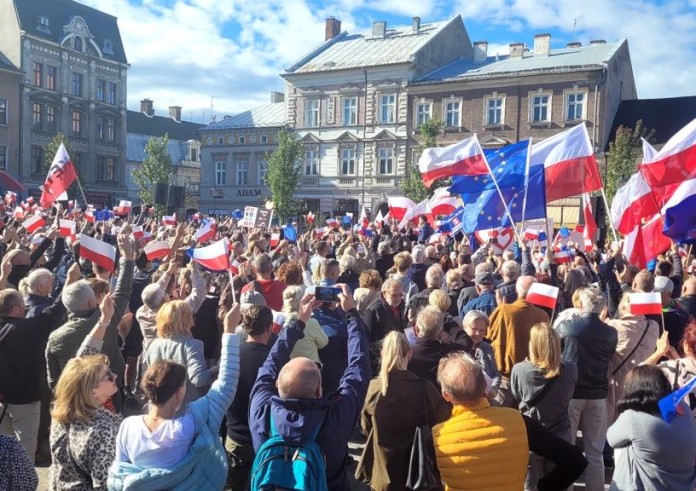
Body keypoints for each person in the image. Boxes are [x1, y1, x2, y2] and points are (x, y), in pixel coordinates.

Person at [249, 286, 371, 490]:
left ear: (277, 384)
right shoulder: (335, 416)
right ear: (319, 391)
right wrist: (351, 313)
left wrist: (298, 322)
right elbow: (358, 367)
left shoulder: (262, 409)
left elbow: (271, 362)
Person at [109, 305, 241, 490]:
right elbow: (207, 380)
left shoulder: (127, 426)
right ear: (180, 391)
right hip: (186, 410)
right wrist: (220, 356)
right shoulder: (189, 427)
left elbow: (119, 469)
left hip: (152, 410)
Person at [46, 233, 134, 412]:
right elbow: (123, 290)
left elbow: (54, 381)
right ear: (90, 303)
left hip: (74, 402)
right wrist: (127, 257)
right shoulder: (105, 318)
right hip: (108, 397)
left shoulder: (55, 337)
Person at [0, 259, 77, 464]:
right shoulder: (25, 330)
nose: (25, 309)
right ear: (16, 310)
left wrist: (3, 278)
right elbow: (54, 313)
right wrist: (70, 280)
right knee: (25, 449)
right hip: (24, 399)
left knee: (3, 446)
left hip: (2, 399)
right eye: (21, 306)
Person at [356, 331, 451, 490]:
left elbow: (366, 428)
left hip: (383, 472)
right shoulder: (425, 389)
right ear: (410, 353)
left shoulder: (375, 388)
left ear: (382, 353)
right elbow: (444, 421)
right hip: (417, 471)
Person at [48, 295, 119, 490]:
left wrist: (104, 321)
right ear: (92, 392)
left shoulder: (63, 412)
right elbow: (105, 484)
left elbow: (81, 365)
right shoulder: (101, 430)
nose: (115, 376)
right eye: (108, 376)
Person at [432, 352, 529, 490]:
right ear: (484, 386)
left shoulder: (438, 436)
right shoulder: (518, 420)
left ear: (446, 396)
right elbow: (568, 456)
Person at [556, 287, 618, 491]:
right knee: (594, 452)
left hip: (571, 394)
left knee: (568, 449)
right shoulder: (610, 333)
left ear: (581, 304)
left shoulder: (567, 327)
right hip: (597, 395)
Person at [511, 322, 578, 491]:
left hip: (532, 436)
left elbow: (517, 395)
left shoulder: (520, 369)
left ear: (532, 344)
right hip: (560, 435)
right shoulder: (570, 369)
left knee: (530, 485)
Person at [607, 365, 696, 490]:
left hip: (647, 487)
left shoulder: (633, 417)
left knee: (624, 445)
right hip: (684, 485)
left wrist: (626, 412)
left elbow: (611, 438)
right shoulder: (682, 408)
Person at [225, 305, 274, 490]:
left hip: (234, 437)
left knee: (235, 485)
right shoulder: (273, 361)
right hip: (262, 438)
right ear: (269, 328)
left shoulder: (231, 356)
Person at [143, 300, 218, 415]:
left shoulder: (153, 345)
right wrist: (216, 369)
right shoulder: (193, 345)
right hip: (185, 411)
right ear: (187, 319)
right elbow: (199, 379)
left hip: (157, 411)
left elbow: (146, 377)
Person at [487, 275, 550, 407]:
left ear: (517, 289)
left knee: (503, 423)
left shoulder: (504, 310)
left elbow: (488, 334)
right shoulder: (542, 315)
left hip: (506, 380)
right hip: (531, 380)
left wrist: (500, 310)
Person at [606, 293, 660, 425]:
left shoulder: (612, 326)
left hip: (616, 385)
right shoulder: (654, 326)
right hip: (641, 384)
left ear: (623, 307)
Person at [645, 321, 696, 416]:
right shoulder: (677, 367)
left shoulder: (670, 369)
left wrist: (658, 352)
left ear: (686, 345)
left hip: (678, 428)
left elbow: (635, 379)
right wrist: (677, 359)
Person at [408, 306, 465, 386]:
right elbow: (466, 342)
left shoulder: (407, 354)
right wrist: (449, 323)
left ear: (416, 329)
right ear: (441, 332)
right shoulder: (448, 353)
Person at [362, 278, 407, 373]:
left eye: (400, 295)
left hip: (398, 356)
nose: (398, 298)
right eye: (394, 295)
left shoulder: (401, 305)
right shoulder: (372, 311)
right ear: (384, 294)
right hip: (382, 359)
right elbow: (367, 341)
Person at [282, 285, 328, 363]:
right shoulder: (311, 323)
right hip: (311, 368)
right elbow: (323, 343)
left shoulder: (280, 321)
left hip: (289, 369)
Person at [462, 310, 501, 400]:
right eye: (474, 329)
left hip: (484, 401)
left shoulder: (487, 348)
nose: (478, 334)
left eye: (481, 330)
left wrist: (494, 388)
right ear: (464, 327)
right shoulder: (456, 349)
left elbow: (495, 373)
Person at [654, 276, 689, 353]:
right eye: (652, 291)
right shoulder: (649, 309)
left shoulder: (680, 316)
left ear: (669, 293)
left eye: (657, 292)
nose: (653, 294)